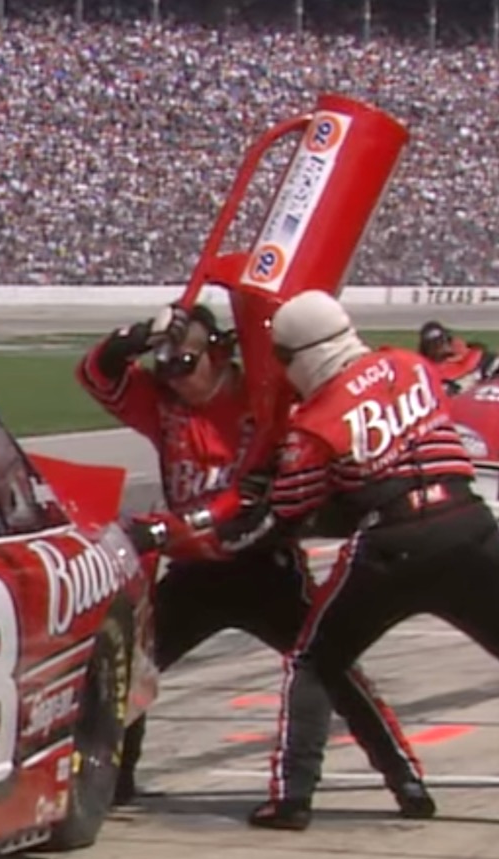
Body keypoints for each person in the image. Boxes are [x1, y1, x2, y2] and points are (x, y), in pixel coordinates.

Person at [76, 302, 432, 817]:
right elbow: (93, 375)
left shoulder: (264, 398)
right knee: (130, 671)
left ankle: (404, 778)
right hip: (193, 571)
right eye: (164, 364)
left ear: (219, 353)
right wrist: (133, 338)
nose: (173, 377)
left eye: (185, 362)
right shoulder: (165, 404)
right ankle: (115, 781)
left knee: (333, 667)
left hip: (266, 566)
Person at [180, 290, 499, 829]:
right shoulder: (413, 365)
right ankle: (405, 786)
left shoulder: (317, 420)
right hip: (470, 523)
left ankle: (292, 797)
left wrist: (224, 532)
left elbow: (288, 515)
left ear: (299, 355)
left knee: (315, 661)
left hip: (391, 544)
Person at [417, 320, 498, 395]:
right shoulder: (422, 370)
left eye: (441, 342)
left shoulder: (472, 356)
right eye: (433, 345)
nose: (439, 347)